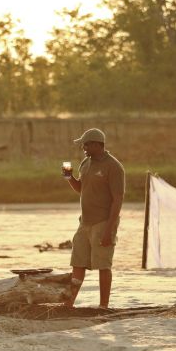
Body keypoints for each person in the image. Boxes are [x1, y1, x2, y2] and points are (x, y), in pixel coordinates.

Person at [62, 128, 125, 308]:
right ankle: (69, 304)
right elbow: (81, 189)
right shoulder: (85, 163)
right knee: (78, 263)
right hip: (85, 223)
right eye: (83, 144)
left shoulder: (114, 167)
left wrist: (109, 230)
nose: (84, 147)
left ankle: (103, 306)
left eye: (87, 144)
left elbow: (118, 199)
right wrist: (68, 177)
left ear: (99, 145)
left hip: (103, 222)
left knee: (103, 265)